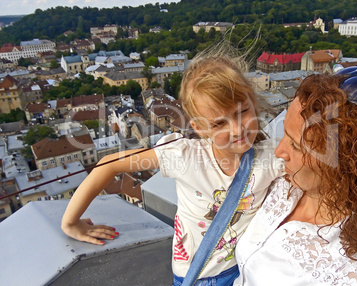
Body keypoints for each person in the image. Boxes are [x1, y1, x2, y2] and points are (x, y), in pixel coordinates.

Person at [61, 44, 283, 285]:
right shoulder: (184, 156)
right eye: (219, 124)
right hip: (193, 275)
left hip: (241, 271)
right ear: (199, 128)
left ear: (254, 101)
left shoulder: (272, 156)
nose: (238, 129)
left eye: (243, 112)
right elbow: (108, 164)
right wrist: (70, 223)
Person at [234, 66, 357, 285]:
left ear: (348, 165)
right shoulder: (282, 182)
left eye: (296, 146)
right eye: (283, 134)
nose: (279, 152)